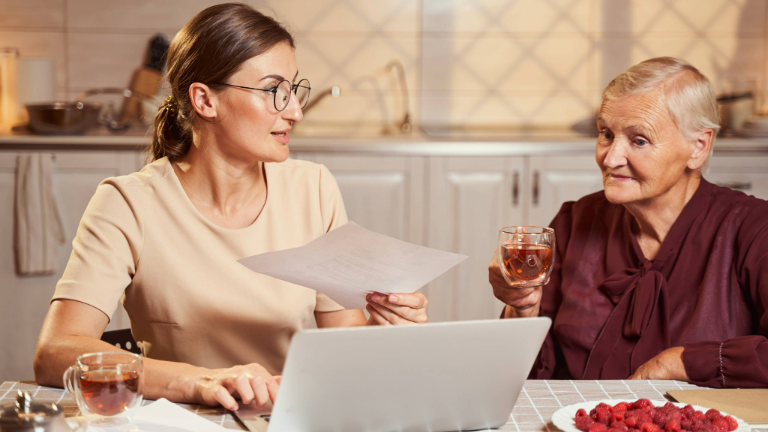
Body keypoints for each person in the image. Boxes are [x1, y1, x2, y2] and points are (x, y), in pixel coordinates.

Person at [33, 3, 428, 411]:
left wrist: (389, 330)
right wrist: (198, 382)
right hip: (177, 420)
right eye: (274, 90)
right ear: (205, 100)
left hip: (284, 418)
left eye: (293, 89)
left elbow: (343, 343)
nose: (294, 111)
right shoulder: (127, 204)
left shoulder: (314, 189)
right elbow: (55, 353)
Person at [489, 57, 768, 388]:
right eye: (606, 134)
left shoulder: (754, 230)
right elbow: (523, 378)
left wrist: (677, 362)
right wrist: (521, 308)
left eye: (639, 140)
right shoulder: (574, 222)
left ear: (698, 147)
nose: (610, 158)